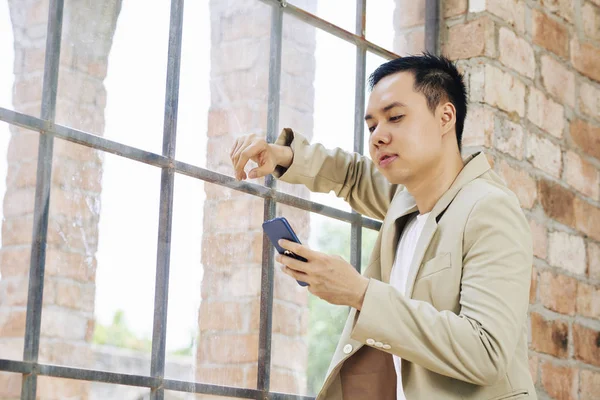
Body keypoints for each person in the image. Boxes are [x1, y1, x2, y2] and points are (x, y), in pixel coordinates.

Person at [229, 53, 536, 400]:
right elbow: (352, 173)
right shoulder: (404, 199)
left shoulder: (489, 209)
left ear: (445, 117)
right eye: (372, 125)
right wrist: (280, 154)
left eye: (396, 117)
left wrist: (360, 293)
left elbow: (486, 351)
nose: (378, 137)